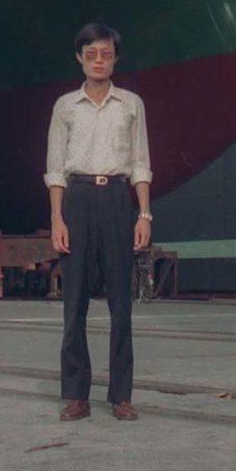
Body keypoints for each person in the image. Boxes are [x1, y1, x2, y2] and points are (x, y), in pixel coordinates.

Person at [45, 22, 152, 422]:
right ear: (79, 58)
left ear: (115, 58)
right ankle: (76, 395)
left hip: (117, 199)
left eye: (105, 54)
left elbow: (141, 162)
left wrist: (143, 214)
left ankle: (121, 395)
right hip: (78, 198)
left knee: (121, 304)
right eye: (91, 54)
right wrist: (57, 218)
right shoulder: (64, 107)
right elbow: (55, 168)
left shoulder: (131, 104)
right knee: (74, 305)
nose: (99, 61)